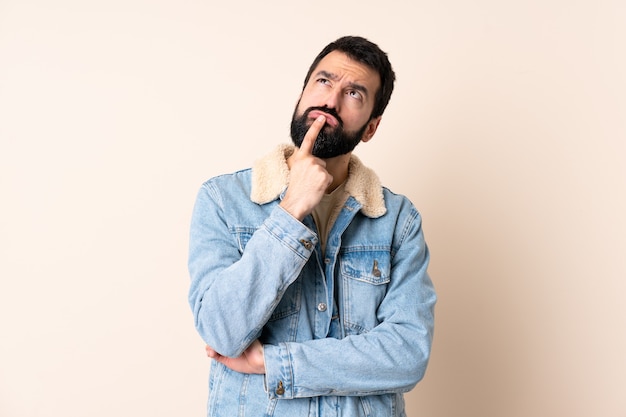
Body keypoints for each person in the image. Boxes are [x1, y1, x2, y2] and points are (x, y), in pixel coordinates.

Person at [188, 35, 436, 417]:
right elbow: (222, 332)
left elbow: (407, 353)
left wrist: (273, 363)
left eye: (354, 93)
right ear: (301, 95)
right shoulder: (224, 200)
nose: (330, 101)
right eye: (323, 82)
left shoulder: (398, 221)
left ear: (371, 127)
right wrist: (290, 212)